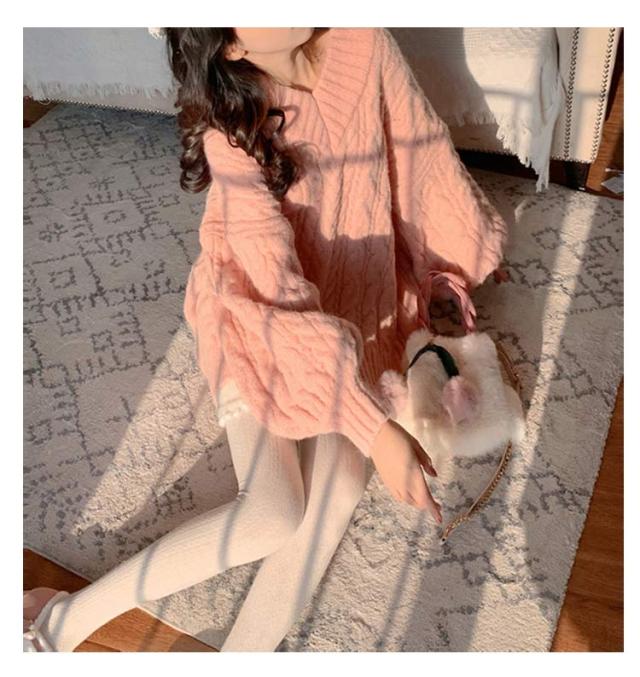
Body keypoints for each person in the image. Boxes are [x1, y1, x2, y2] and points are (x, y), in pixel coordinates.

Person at [23, 27, 509, 652]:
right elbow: (270, 287)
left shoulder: (364, 40)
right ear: (230, 46)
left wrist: (448, 265)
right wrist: (374, 430)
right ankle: (58, 624)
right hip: (255, 313)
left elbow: (422, 161)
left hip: (356, 308)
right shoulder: (230, 131)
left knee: (338, 490)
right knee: (273, 513)